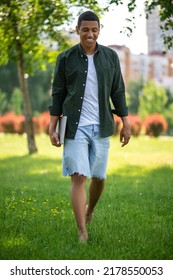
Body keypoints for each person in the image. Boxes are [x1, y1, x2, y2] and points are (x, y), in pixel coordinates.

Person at [49, 11, 131, 243]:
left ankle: (90, 209)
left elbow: (118, 91)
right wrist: (52, 125)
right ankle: (82, 231)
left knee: (99, 177)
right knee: (78, 177)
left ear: (99, 30)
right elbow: (58, 93)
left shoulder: (110, 57)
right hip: (75, 127)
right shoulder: (65, 58)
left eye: (94, 30)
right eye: (85, 29)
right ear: (77, 30)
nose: (90, 34)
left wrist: (126, 122)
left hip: (102, 125)